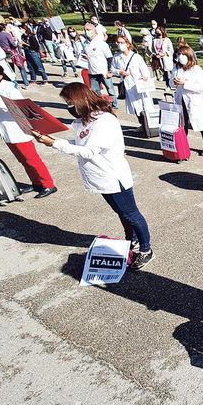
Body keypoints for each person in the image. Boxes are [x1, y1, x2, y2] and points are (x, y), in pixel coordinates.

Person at [34, 82, 154, 268]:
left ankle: (146, 249)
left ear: (80, 100)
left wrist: (55, 144)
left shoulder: (105, 121)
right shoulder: (86, 119)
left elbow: (89, 151)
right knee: (122, 213)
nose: (68, 107)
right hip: (102, 177)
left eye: (69, 103)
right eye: (66, 103)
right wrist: (51, 139)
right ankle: (133, 240)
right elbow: (78, 143)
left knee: (131, 214)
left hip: (114, 177)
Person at [0, 64, 57, 198]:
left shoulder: (9, 89)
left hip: (18, 131)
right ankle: (36, 183)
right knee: (23, 160)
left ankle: (48, 184)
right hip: (6, 131)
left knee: (32, 159)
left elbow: (21, 109)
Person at [170, 46, 203, 156]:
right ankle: (182, 146)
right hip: (181, 100)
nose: (180, 57)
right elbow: (170, 83)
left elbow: (200, 88)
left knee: (201, 122)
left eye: (183, 55)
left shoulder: (196, 69)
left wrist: (185, 83)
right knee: (182, 124)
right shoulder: (177, 68)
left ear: (189, 56)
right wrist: (174, 82)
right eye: (179, 54)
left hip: (194, 101)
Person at [111, 35, 155, 135]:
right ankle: (142, 124)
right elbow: (113, 69)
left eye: (121, 43)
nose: (119, 45)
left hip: (139, 85)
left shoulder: (136, 57)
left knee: (145, 105)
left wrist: (145, 77)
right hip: (128, 86)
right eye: (118, 43)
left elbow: (145, 70)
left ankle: (149, 125)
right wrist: (120, 72)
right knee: (135, 106)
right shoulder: (117, 57)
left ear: (127, 44)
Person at [83, 22, 117, 108]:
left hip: (103, 71)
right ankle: (99, 105)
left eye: (88, 30)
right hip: (92, 72)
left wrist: (109, 71)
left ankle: (114, 106)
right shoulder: (86, 44)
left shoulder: (101, 43)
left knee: (110, 90)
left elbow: (110, 58)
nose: (86, 31)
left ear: (94, 31)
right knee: (95, 91)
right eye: (85, 30)